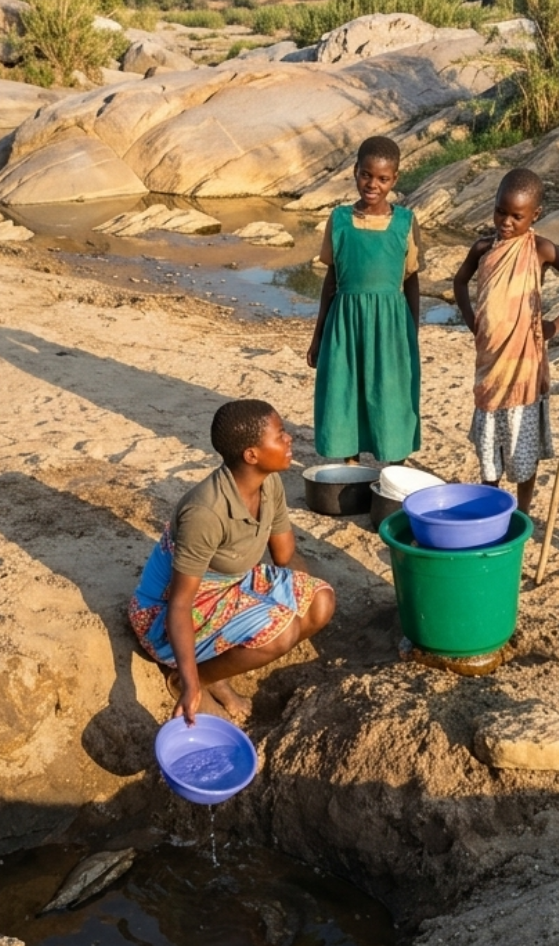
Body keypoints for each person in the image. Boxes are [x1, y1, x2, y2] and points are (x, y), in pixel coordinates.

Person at [129, 399, 335, 724]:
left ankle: (215, 669)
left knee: (320, 602)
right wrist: (282, 629)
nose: (289, 439)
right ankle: (187, 679)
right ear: (251, 455)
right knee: (281, 632)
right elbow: (179, 604)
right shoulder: (205, 512)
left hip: (231, 582)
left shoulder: (270, 484)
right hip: (167, 612)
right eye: (280, 435)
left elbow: (285, 556)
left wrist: (301, 601)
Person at [452, 168, 559, 514]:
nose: (506, 221)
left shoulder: (541, 250)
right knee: (490, 444)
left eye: (517, 216)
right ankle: (491, 505)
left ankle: (523, 511)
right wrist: (475, 323)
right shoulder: (483, 248)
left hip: (524, 367)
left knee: (522, 445)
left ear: (535, 215)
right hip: (489, 364)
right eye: (501, 211)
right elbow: (460, 283)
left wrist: (556, 325)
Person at [305, 136, 422, 465]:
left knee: (391, 392)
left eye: (383, 179)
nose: (373, 184)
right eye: (366, 175)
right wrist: (318, 335)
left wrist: (412, 329)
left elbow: (411, 278)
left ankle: (394, 466)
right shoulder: (339, 220)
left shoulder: (405, 223)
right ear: (355, 172)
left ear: (394, 180)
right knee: (346, 388)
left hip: (390, 324)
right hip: (345, 321)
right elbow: (331, 279)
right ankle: (351, 466)